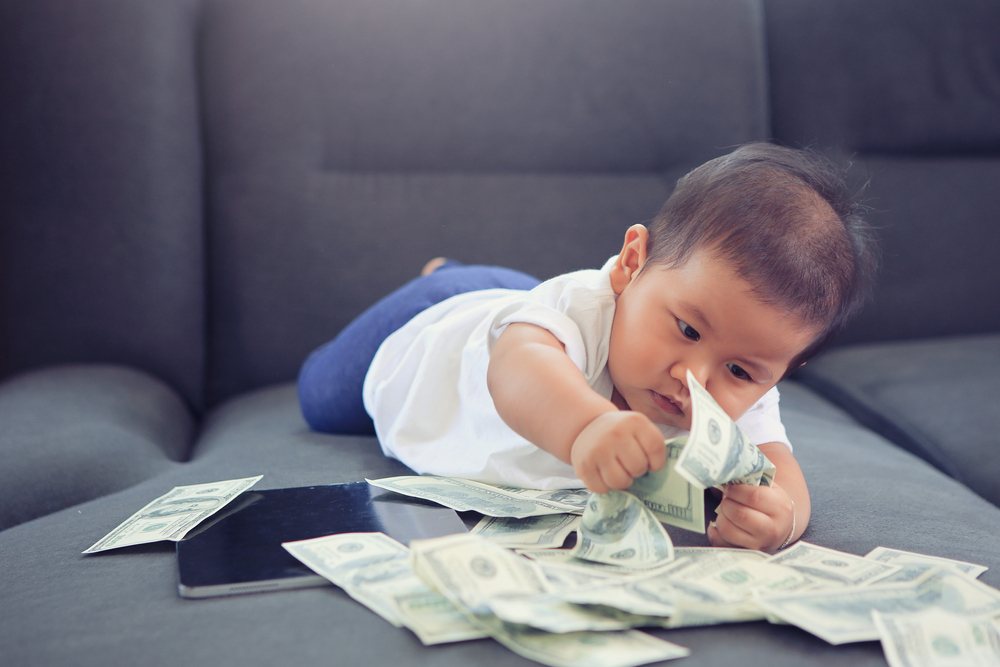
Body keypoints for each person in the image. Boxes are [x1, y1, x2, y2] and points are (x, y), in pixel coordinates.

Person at [298, 142, 878, 553]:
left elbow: (781, 471)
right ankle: (452, 274)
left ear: (779, 371)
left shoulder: (742, 390)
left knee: (536, 305)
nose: (693, 378)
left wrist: (785, 517)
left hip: (536, 309)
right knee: (321, 399)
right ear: (632, 263)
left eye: (739, 370)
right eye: (687, 330)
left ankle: (501, 287)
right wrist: (586, 428)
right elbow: (521, 368)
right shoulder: (574, 315)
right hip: (436, 330)